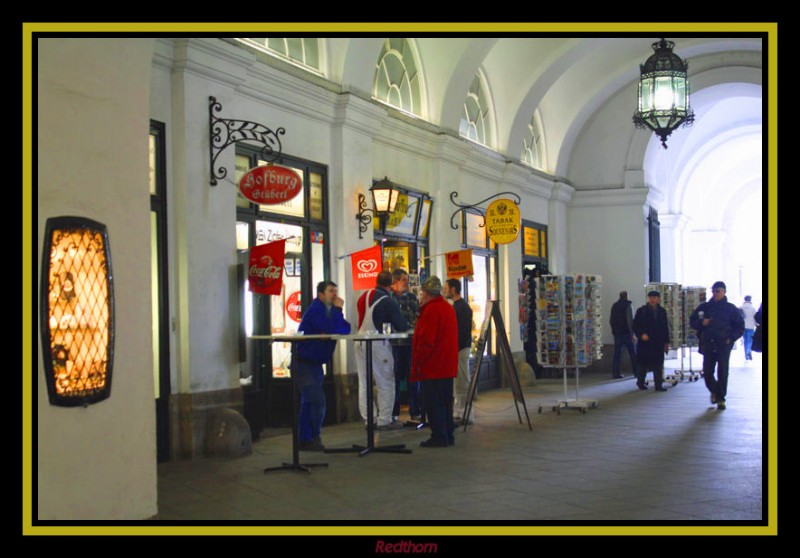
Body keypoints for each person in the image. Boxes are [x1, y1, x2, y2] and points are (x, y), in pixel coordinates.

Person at [294, 280, 351, 451]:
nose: (335, 294)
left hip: (316, 364)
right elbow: (330, 326)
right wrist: (338, 311)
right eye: (331, 291)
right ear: (321, 294)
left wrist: (332, 329)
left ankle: (306, 438)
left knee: (309, 402)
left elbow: (345, 328)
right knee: (317, 400)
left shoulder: (329, 311)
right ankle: (312, 436)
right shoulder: (316, 310)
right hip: (304, 363)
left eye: (335, 290)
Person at [355, 271, 409, 430]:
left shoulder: (362, 297)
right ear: (391, 284)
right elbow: (402, 325)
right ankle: (384, 420)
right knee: (385, 381)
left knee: (364, 383)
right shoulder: (388, 301)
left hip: (360, 341)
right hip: (378, 343)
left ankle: (368, 419)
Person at [412, 276, 458, 447]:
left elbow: (426, 340)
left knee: (433, 402)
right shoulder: (447, 308)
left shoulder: (431, 310)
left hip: (433, 365)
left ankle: (439, 435)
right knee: (446, 401)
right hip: (446, 364)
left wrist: (418, 362)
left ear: (425, 293)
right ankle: (448, 434)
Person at [689, 281, 745, 410]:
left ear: (724, 292)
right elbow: (693, 321)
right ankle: (715, 391)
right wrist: (702, 323)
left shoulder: (731, 309)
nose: (715, 293)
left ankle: (721, 399)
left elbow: (740, 327)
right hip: (708, 343)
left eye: (718, 291)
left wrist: (731, 338)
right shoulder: (705, 307)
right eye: (713, 291)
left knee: (723, 371)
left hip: (724, 344)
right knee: (707, 371)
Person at [389, 268, 421, 422]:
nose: (407, 283)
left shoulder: (412, 298)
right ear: (394, 282)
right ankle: (394, 412)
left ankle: (415, 410)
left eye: (407, 280)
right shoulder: (389, 299)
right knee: (393, 378)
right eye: (403, 280)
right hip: (393, 345)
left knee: (412, 377)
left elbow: (418, 317)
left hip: (409, 344)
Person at [444, 278, 473, 422]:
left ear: (453, 289)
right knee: (458, 383)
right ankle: (459, 411)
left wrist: (453, 348)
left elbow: (462, 332)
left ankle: (465, 413)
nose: (444, 290)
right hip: (457, 349)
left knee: (462, 382)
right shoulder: (456, 306)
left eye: (446, 287)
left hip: (460, 350)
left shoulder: (462, 308)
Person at [632, 290, 671, 392]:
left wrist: (666, 341)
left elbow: (665, 327)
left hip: (658, 341)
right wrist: (641, 334)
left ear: (658, 299)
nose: (652, 299)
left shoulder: (662, 311)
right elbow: (635, 325)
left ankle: (658, 384)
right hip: (645, 342)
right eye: (651, 297)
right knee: (643, 363)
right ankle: (640, 382)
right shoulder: (642, 310)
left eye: (655, 297)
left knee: (658, 364)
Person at [609, 290, 638, 379]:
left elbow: (611, 320)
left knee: (617, 354)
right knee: (633, 353)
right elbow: (630, 321)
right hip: (627, 333)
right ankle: (637, 372)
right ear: (626, 296)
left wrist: (614, 331)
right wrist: (632, 334)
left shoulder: (614, 306)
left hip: (617, 333)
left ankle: (616, 373)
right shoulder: (628, 306)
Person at [739, 295, 758, 361]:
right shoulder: (753, 308)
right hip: (750, 326)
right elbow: (755, 318)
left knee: (745, 341)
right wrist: (756, 324)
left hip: (743, 327)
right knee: (749, 341)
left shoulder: (741, 307)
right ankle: (748, 352)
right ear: (750, 300)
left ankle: (746, 354)